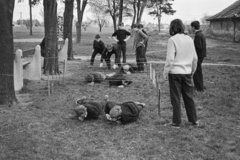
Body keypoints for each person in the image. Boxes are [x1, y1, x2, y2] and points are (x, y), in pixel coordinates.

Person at [163, 19, 199, 128]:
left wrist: (165, 72)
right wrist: (192, 70)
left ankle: (176, 123)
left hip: (175, 74)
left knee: (176, 98)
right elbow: (195, 58)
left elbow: (170, 59)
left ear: (172, 27)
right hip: (187, 72)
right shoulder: (189, 39)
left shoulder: (172, 40)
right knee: (189, 97)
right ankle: (194, 121)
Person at [191, 21, 207, 92]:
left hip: (198, 56)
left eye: (191, 27)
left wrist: (194, 55)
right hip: (201, 55)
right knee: (198, 71)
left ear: (193, 27)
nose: (191, 28)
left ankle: (199, 88)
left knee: (196, 71)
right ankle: (199, 86)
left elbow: (198, 47)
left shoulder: (198, 35)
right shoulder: (201, 34)